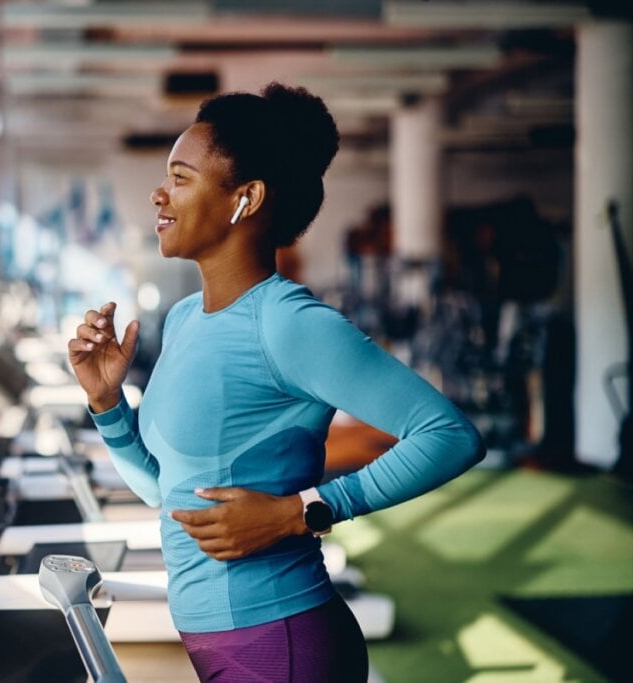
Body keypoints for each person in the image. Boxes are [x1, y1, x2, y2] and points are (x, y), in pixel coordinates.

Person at [67, 83, 485, 682]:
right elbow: (169, 495)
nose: (159, 193)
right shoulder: (187, 318)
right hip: (218, 637)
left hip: (281, 640)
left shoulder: (288, 323)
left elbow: (449, 435)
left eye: (181, 178)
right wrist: (107, 404)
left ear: (246, 199)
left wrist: (303, 512)